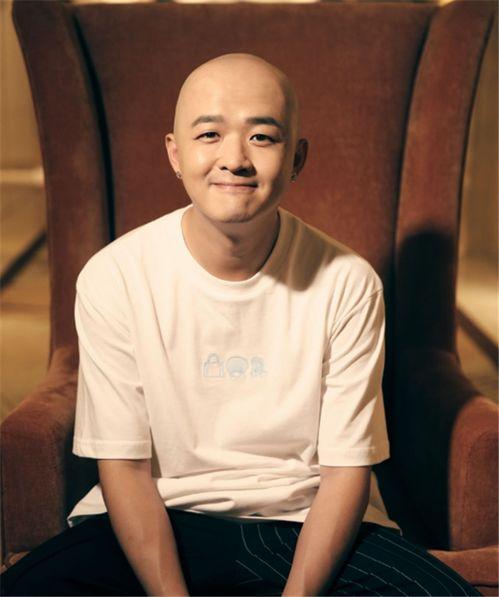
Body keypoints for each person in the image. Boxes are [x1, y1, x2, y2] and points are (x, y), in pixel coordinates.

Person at [0, 53, 481, 597]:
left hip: (302, 521)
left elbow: (345, 472)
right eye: (209, 134)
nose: (234, 160)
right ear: (175, 154)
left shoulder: (348, 283)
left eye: (262, 138)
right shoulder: (115, 276)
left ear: (296, 158)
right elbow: (125, 468)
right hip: (154, 519)